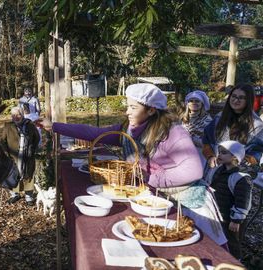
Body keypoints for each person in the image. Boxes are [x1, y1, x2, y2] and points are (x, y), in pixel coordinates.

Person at [37, 83, 227, 245]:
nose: (127, 112)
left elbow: (193, 171)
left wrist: (151, 177)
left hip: (188, 205)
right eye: (128, 106)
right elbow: (94, 133)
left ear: (151, 110)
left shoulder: (173, 132)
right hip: (156, 202)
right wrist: (54, 126)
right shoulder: (127, 129)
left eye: (133, 107)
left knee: (196, 250)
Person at [205, 141, 253, 259]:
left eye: (224, 153)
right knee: (218, 237)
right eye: (219, 152)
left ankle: (235, 262)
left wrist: (237, 219)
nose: (219, 155)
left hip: (231, 219)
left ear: (235, 157)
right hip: (217, 213)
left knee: (232, 242)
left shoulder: (241, 177)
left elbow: (244, 200)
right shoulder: (218, 170)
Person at [203, 84, 263, 169]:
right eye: (233, 96)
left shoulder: (256, 124)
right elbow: (206, 140)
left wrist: (245, 160)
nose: (236, 100)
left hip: (238, 172)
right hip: (214, 169)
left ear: (248, 100)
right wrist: (210, 156)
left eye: (241, 98)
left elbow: (257, 150)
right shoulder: (220, 117)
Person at [1, 107, 40, 205]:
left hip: (27, 156)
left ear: (22, 114)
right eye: (13, 115)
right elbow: (2, 141)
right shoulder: (8, 126)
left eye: (18, 114)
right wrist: (6, 153)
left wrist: (32, 148)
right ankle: (15, 194)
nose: (15, 117)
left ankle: (29, 196)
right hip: (13, 156)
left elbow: (37, 137)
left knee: (28, 174)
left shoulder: (29, 125)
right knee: (14, 174)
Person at [181, 90, 213, 164]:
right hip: (183, 156)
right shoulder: (182, 120)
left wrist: (190, 138)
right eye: (191, 101)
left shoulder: (208, 121)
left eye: (197, 101)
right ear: (187, 104)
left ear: (202, 104)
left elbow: (209, 143)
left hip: (200, 157)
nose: (194, 103)